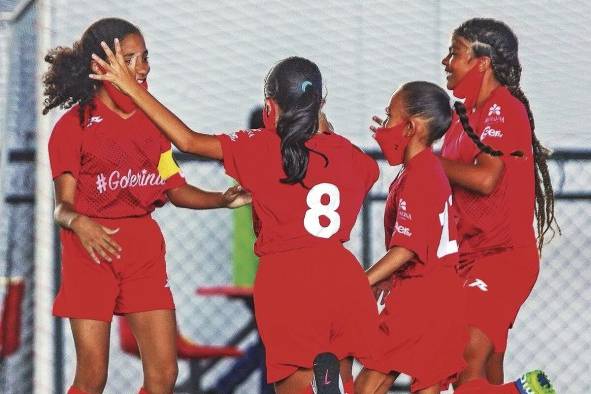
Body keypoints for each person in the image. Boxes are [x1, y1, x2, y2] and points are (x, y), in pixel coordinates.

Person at [91, 50, 383, 394]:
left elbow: (187, 140)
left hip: (290, 283)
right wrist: (322, 126)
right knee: (342, 376)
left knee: (295, 384)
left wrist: (132, 88)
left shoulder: (260, 146)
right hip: (343, 279)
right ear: (320, 104)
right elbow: (364, 170)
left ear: (269, 108)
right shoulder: (352, 156)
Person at [43, 18, 249, 394]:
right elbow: (62, 208)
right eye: (130, 58)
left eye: (145, 57)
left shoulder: (153, 122)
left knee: (163, 375)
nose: (143, 67)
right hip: (91, 249)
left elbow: (175, 188)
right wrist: (80, 223)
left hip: (142, 252)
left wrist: (221, 199)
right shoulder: (74, 127)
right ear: (100, 66)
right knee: (92, 378)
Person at [439, 18, 557, 393]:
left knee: (463, 364)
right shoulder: (461, 119)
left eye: (455, 53)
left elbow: (486, 178)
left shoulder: (503, 109)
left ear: (482, 62)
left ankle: (526, 390)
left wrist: (423, 160)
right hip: (468, 257)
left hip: (501, 258)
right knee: (484, 375)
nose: (446, 61)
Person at [355, 81, 466, 394]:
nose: (382, 126)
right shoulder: (425, 170)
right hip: (442, 298)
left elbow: (406, 248)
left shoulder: (420, 175)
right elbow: (426, 240)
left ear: (411, 127)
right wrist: (386, 280)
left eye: (390, 117)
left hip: (420, 300)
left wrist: (360, 282)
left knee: (368, 384)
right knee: (426, 386)